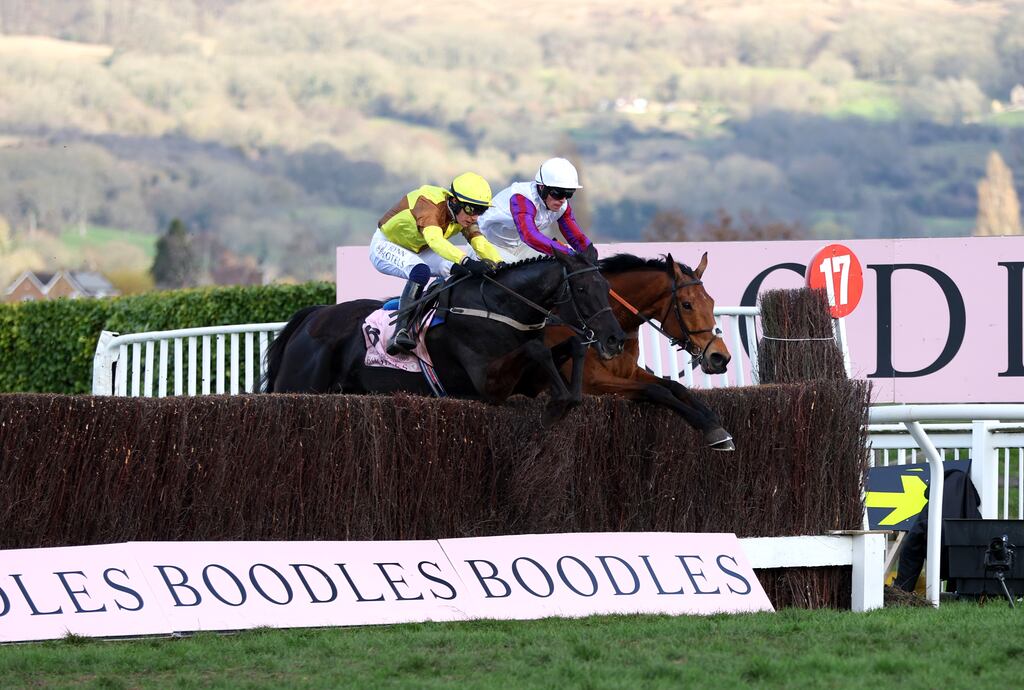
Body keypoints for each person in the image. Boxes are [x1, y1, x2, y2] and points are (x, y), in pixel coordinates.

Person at [370, 172, 504, 355]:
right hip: (386, 244)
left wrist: (500, 264)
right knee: (421, 272)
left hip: (421, 248)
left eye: (481, 211)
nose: (475, 217)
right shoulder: (430, 204)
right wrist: (466, 261)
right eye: (471, 209)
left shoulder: (462, 215)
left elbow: (479, 243)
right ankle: (400, 331)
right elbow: (435, 241)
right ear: (454, 201)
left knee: (460, 271)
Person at [476, 157, 593, 263]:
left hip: (519, 246)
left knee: (557, 265)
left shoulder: (561, 204)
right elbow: (529, 235)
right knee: (517, 274)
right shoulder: (522, 198)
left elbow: (576, 237)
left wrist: (590, 251)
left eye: (569, 194)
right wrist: (567, 253)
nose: (563, 200)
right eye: (558, 193)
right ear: (542, 187)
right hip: (485, 243)